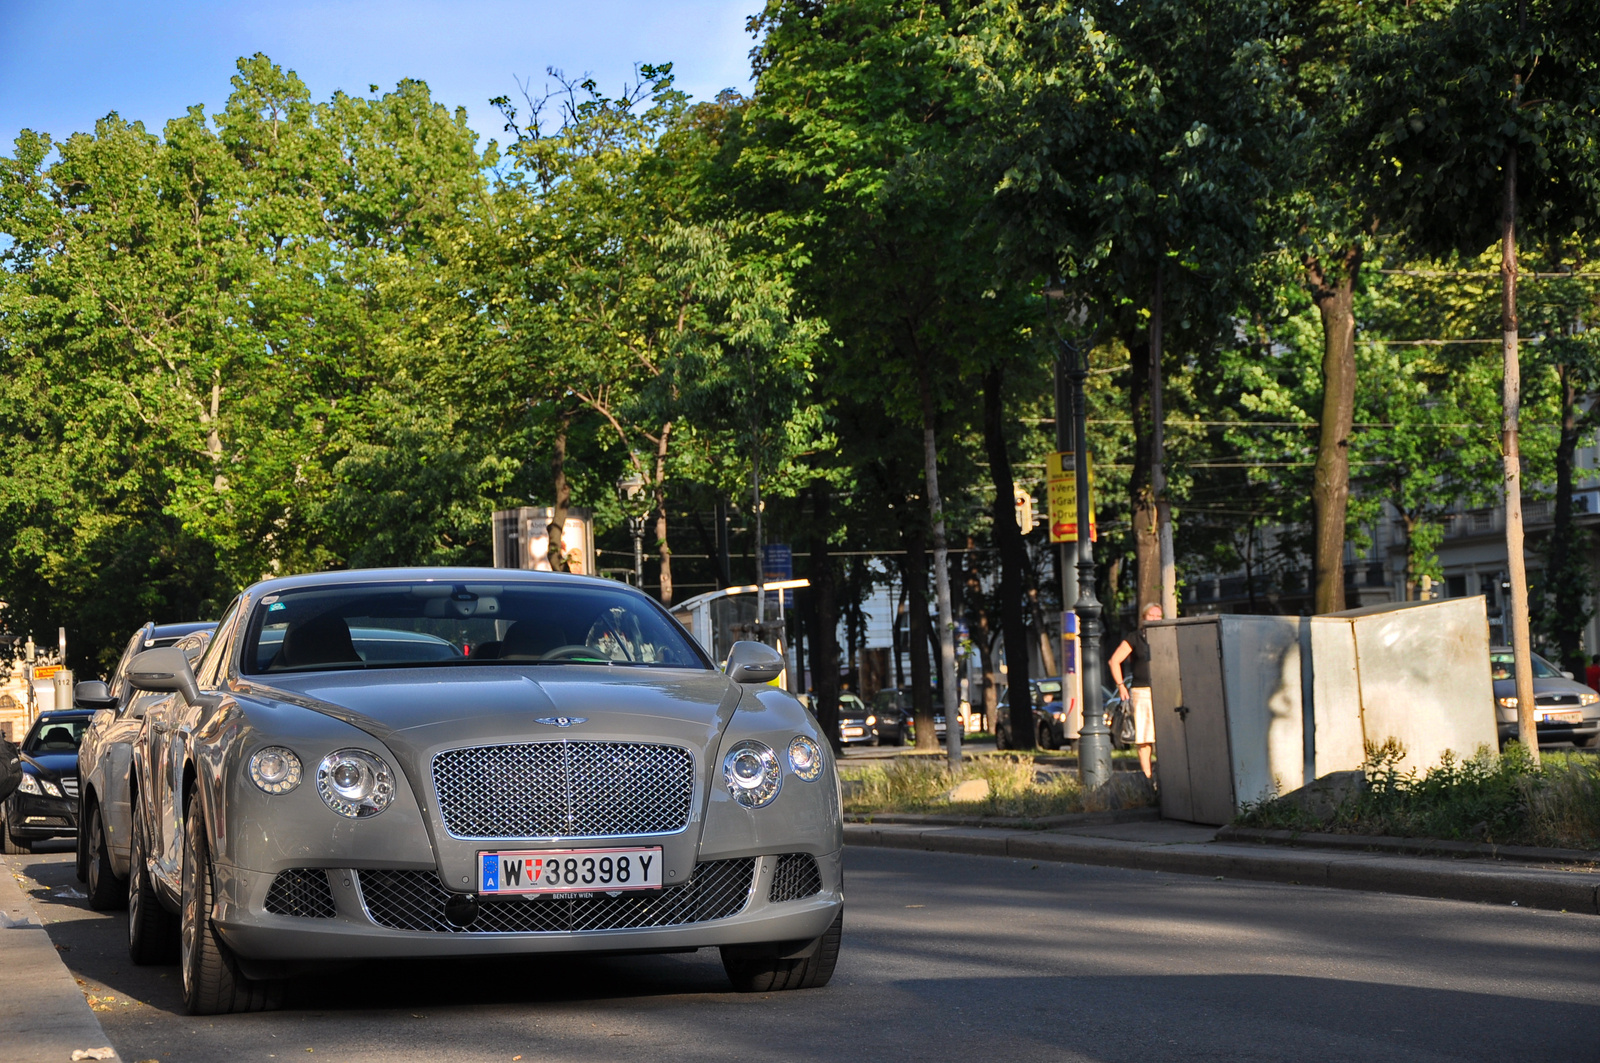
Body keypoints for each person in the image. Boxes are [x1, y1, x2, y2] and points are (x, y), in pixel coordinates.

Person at [1109, 602, 1163, 778]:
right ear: (1143, 618)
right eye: (1151, 615)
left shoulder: (1166, 635)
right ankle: (1147, 777)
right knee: (1144, 737)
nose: (1155, 619)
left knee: (1163, 735)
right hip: (1142, 691)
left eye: (1158, 616)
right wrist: (1121, 685)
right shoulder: (1134, 638)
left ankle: (1163, 773)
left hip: (1164, 690)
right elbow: (1114, 661)